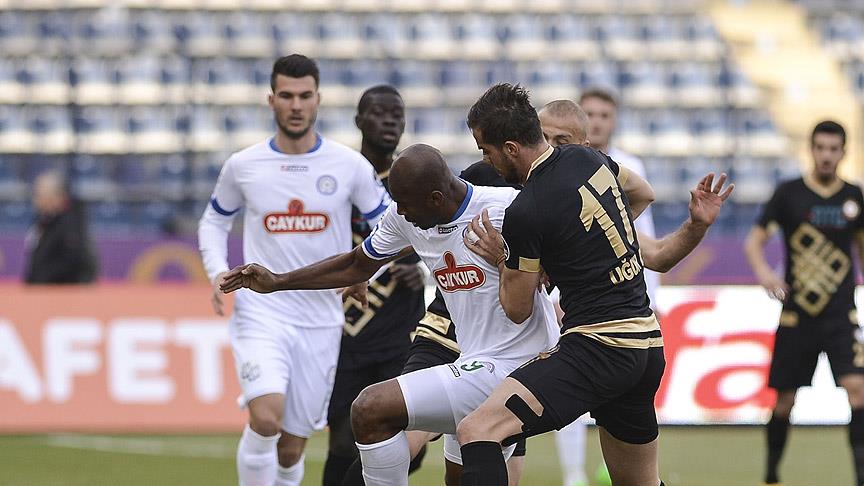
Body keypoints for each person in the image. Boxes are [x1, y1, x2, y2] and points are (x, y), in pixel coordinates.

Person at [220, 143, 564, 486]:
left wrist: (538, 267)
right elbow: (358, 263)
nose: (399, 210)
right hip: (473, 360)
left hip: (521, 366)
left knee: (371, 408)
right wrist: (278, 281)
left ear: (435, 198)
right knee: (458, 476)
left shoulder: (506, 210)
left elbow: (572, 257)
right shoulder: (407, 217)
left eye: (405, 203)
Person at [456, 84, 733, 486]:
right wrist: (693, 227)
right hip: (645, 346)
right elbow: (645, 196)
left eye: (487, 150)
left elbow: (517, 309)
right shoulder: (590, 159)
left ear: (511, 148)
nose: (487, 160)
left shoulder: (526, 211)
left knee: (477, 430)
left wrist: (502, 258)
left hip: (598, 348)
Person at [197, 54, 390, 486]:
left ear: (318, 99)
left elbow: (391, 224)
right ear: (272, 100)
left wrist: (367, 271)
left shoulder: (348, 165)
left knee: (291, 449)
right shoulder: (244, 165)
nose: (296, 105)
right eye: (287, 96)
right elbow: (214, 220)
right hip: (261, 312)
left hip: (321, 319)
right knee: (266, 418)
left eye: (305, 96)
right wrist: (216, 270)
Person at [744, 120, 864, 486]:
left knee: (858, 390)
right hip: (798, 315)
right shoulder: (789, 194)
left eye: (833, 149)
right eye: (821, 148)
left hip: (841, 314)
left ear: (843, 152)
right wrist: (766, 274)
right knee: (785, 401)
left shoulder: (853, 196)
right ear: (811, 150)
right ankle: (771, 475)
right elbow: (754, 241)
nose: (826, 156)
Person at [323, 85, 427, 486]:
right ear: (359, 121)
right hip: (344, 329)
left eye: (396, 115)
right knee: (343, 443)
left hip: (401, 329)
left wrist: (424, 272)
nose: (389, 121)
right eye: (380, 113)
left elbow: (445, 239)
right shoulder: (340, 180)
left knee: (409, 442)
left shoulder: (416, 179)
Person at [24, 170, 97, 284]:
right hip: (41, 288)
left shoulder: (72, 223)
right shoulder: (43, 219)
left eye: (39, 194)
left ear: (56, 197)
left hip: (64, 290)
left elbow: (75, 262)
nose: (35, 199)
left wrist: (42, 279)